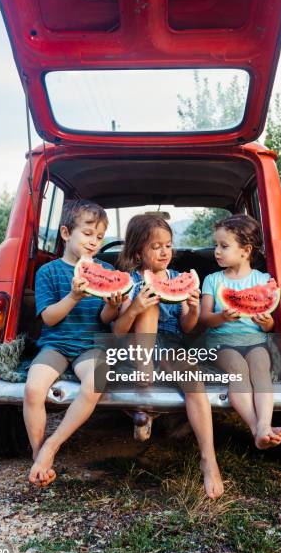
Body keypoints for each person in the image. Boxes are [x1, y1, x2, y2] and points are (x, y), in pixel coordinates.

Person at [114, 214, 224, 499]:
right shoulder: (129, 281)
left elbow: (187, 328)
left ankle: (208, 459)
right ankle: (144, 375)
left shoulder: (178, 279)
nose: (164, 252)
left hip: (171, 345)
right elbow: (117, 331)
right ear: (138, 251)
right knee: (149, 305)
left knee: (194, 382)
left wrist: (194, 308)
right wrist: (135, 308)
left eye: (168, 245)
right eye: (156, 246)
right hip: (134, 348)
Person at [25, 200, 124, 486]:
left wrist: (113, 305)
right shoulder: (49, 272)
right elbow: (49, 319)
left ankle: (51, 446)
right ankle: (38, 457)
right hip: (55, 344)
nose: (94, 242)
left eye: (99, 237)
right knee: (33, 389)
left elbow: (105, 318)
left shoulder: (105, 269)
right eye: (88, 234)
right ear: (66, 233)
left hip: (91, 344)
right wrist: (74, 296)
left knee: (95, 384)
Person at [199, 214, 281, 450]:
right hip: (221, 343)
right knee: (238, 369)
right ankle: (256, 428)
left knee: (260, 367)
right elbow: (205, 319)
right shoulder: (212, 280)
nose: (217, 251)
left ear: (246, 250)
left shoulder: (264, 281)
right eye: (216, 245)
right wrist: (222, 316)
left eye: (224, 246)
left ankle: (264, 425)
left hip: (255, 341)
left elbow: (269, 327)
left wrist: (266, 322)